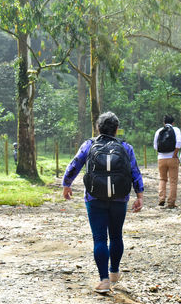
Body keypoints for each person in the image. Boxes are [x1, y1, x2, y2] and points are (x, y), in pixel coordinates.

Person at [61, 112, 143, 294]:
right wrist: (140, 195)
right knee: (116, 236)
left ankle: (104, 280)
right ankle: (114, 272)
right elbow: (135, 171)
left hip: (94, 198)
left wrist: (67, 184)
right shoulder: (125, 147)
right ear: (116, 129)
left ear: (98, 128)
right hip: (119, 198)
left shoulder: (89, 145)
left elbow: (75, 164)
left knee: (99, 238)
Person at [153, 115, 181, 208]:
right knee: (173, 181)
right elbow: (178, 143)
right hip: (172, 158)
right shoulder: (176, 130)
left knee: (162, 179)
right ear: (173, 123)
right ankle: (171, 202)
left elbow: (155, 146)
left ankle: (161, 199)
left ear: (164, 123)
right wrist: (174, 154)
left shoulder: (159, 131)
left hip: (161, 158)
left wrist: (161, 154)